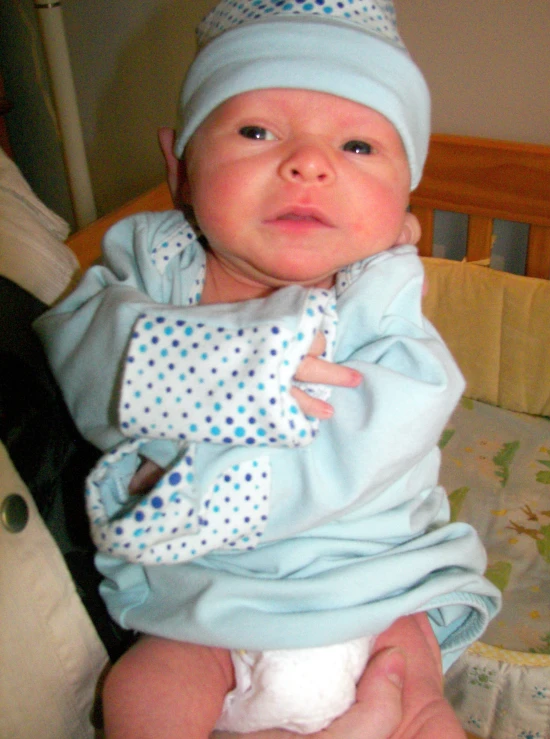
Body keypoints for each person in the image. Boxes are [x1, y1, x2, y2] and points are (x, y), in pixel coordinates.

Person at [35, 1, 501, 737]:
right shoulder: (150, 262)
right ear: (179, 167)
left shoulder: (377, 294)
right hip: (207, 607)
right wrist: (238, 370)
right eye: (256, 131)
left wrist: (212, 486)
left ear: (403, 196)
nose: (308, 162)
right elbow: (92, 361)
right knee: (137, 695)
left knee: (424, 712)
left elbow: (387, 426)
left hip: (374, 592)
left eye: (357, 146)